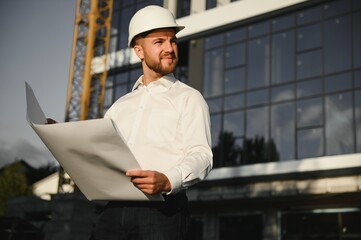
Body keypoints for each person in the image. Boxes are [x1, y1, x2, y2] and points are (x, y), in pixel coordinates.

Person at [89, 5, 213, 240]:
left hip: (163, 213)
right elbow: (100, 153)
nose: (170, 48)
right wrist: (67, 139)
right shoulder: (119, 106)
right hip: (112, 212)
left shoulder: (189, 98)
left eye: (173, 41)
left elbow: (202, 155)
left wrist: (168, 180)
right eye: (159, 42)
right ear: (139, 51)